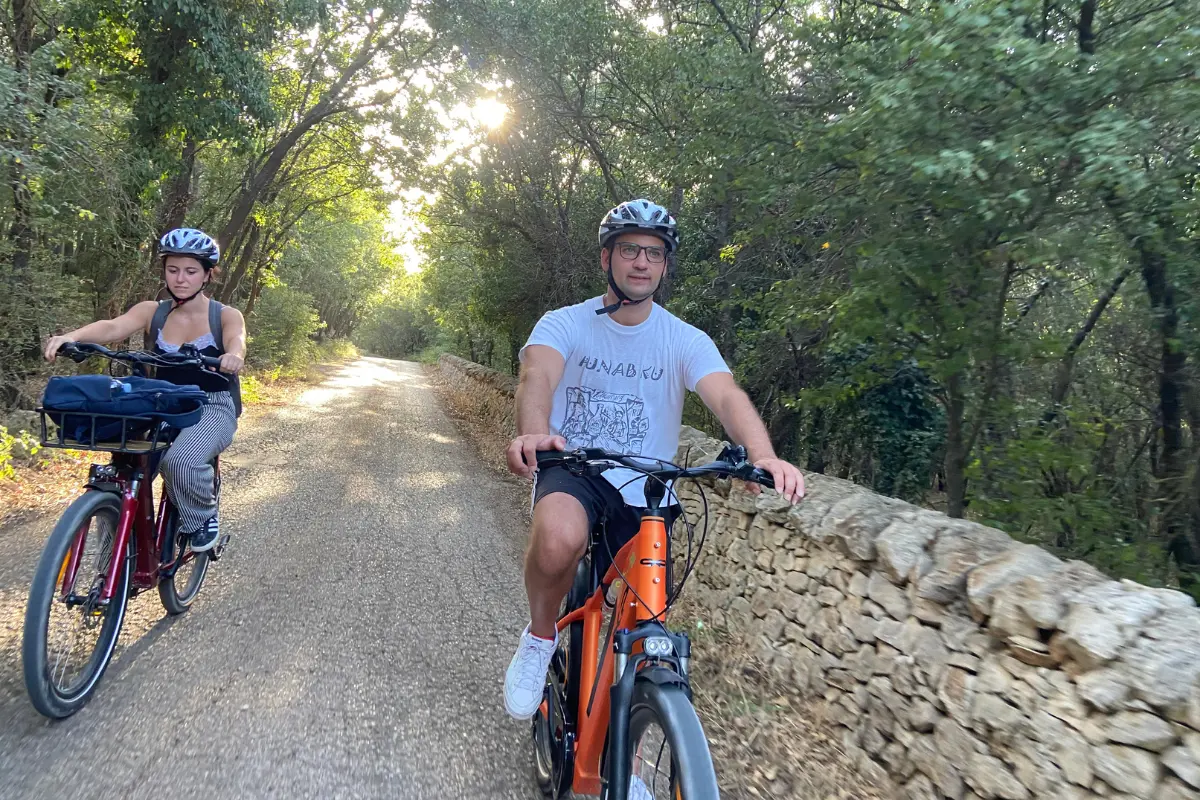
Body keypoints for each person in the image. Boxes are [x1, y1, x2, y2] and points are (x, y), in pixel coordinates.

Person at [502, 198, 807, 720]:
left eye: (654, 253)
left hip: (646, 488)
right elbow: (538, 376)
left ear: (665, 265)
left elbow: (727, 395)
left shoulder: (683, 339)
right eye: (629, 250)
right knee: (558, 540)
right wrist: (534, 434)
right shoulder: (565, 323)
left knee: (645, 630)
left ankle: (627, 758)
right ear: (606, 259)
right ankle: (539, 636)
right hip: (574, 469)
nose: (642, 262)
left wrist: (763, 455)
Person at [44, 228, 246, 552]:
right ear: (164, 270)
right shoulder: (154, 311)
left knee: (179, 461)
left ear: (208, 275)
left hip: (213, 404)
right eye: (173, 269)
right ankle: (111, 574)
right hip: (162, 400)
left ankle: (203, 516)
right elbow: (113, 327)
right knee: (122, 470)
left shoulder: (225, 315)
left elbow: (237, 340)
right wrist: (72, 336)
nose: (180, 278)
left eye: (191, 271)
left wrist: (233, 357)